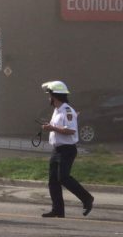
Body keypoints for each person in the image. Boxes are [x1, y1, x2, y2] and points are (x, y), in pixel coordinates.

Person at [40, 80, 94, 218]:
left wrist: (52, 128)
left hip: (67, 150)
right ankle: (57, 210)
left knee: (63, 177)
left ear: (55, 96)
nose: (48, 98)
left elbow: (71, 131)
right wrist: (49, 127)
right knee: (53, 181)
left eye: (49, 95)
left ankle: (87, 198)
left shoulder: (67, 110)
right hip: (57, 150)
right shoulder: (57, 110)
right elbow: (57, 128)